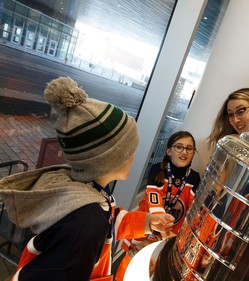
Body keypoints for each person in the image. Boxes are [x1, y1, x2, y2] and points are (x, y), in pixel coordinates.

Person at [0, 76, 175, 281]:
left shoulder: (86, 192)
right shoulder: (86, 222)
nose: (134, 156)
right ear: (108, 159)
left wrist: (146, 222)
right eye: (129, 151)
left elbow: (108, 219)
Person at [115, 130, 201, 280]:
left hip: (168, 237)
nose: (184, 152)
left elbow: (193, 212)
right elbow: (155, 206)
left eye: (189, 148)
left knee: (152, 274)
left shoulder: (194, 178)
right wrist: (165, 234)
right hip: (145, 230)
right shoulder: (157, 169)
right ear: (169, 150)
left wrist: (179, 238)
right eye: (179, 147)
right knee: (128, 271)